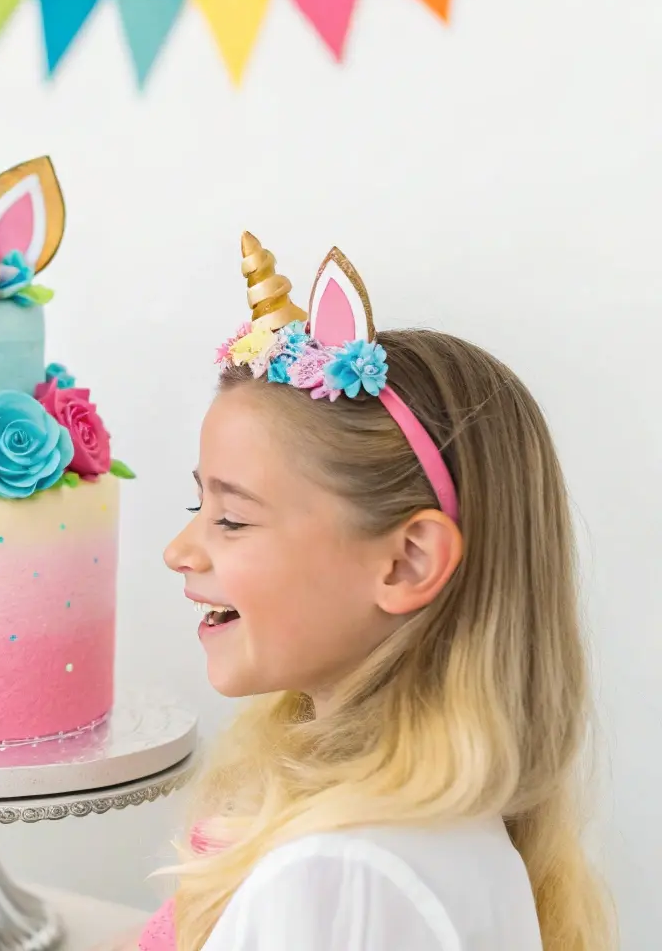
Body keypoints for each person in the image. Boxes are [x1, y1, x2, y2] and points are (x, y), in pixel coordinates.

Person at [140, 234, 612, 950]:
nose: (179, 552)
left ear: (407, 563)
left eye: (231, 518)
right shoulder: (428, 837)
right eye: (196, 508)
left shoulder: (340, 879)